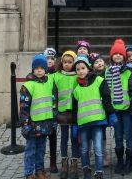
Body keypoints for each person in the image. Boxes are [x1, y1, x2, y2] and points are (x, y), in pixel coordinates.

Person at [72, 55, 116, 179]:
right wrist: (74, 125)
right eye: (78, 69)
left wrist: (111, 114)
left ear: (88, 68)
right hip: (83, 124)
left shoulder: (99, 81)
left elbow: (107, 99)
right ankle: (86, 168)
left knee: (98, 147)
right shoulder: (76, 89)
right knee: (84, 149)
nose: (80, 71)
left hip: (97, 122)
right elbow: (75, 109)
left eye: (83, 68)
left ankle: (99, 171)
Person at [20, 53, 57, 179]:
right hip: (33, 124)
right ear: (33, 69)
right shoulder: (28, 86)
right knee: (31, 150)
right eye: (36, 68)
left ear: (45, 69)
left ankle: (39, 170)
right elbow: (24, 107)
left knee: (41, 149)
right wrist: (25, 123)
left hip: (46, 122)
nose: (39, 70)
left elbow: (54, 102)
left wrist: (54, 119)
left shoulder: (50, 82)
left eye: (41, 68)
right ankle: (29, 173)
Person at [106, 39, 132, 175]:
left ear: (124, 57)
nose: (118, 56)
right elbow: (106, 92)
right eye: (115, 54)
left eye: (120, 54)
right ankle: (120, 160)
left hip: (127, 109)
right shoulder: (108, 71)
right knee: (118, 136)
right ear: (111, 56)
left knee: (129, 135)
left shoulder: (129, 71)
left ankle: (129, 161)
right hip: (115, 110)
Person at [55, 50, 79, 179]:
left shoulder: (78, 76)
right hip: (62, 112)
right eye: (65, 62)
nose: (67, 64)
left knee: (74, 138)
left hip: (75, 112)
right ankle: (64, 162)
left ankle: (74, 163)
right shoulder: (57, 76)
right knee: (64, 138)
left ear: (74, 63)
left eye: (70, 62)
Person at [44, 47, 59, 173]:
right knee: (41, 138)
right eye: (47, 58)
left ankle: (53, 162)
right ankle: (39, 164)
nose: (49, 61)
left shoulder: (57, 74)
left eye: (52, 58)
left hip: (53, 110)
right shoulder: (40, 73)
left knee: (52, 136)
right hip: (42, 110)